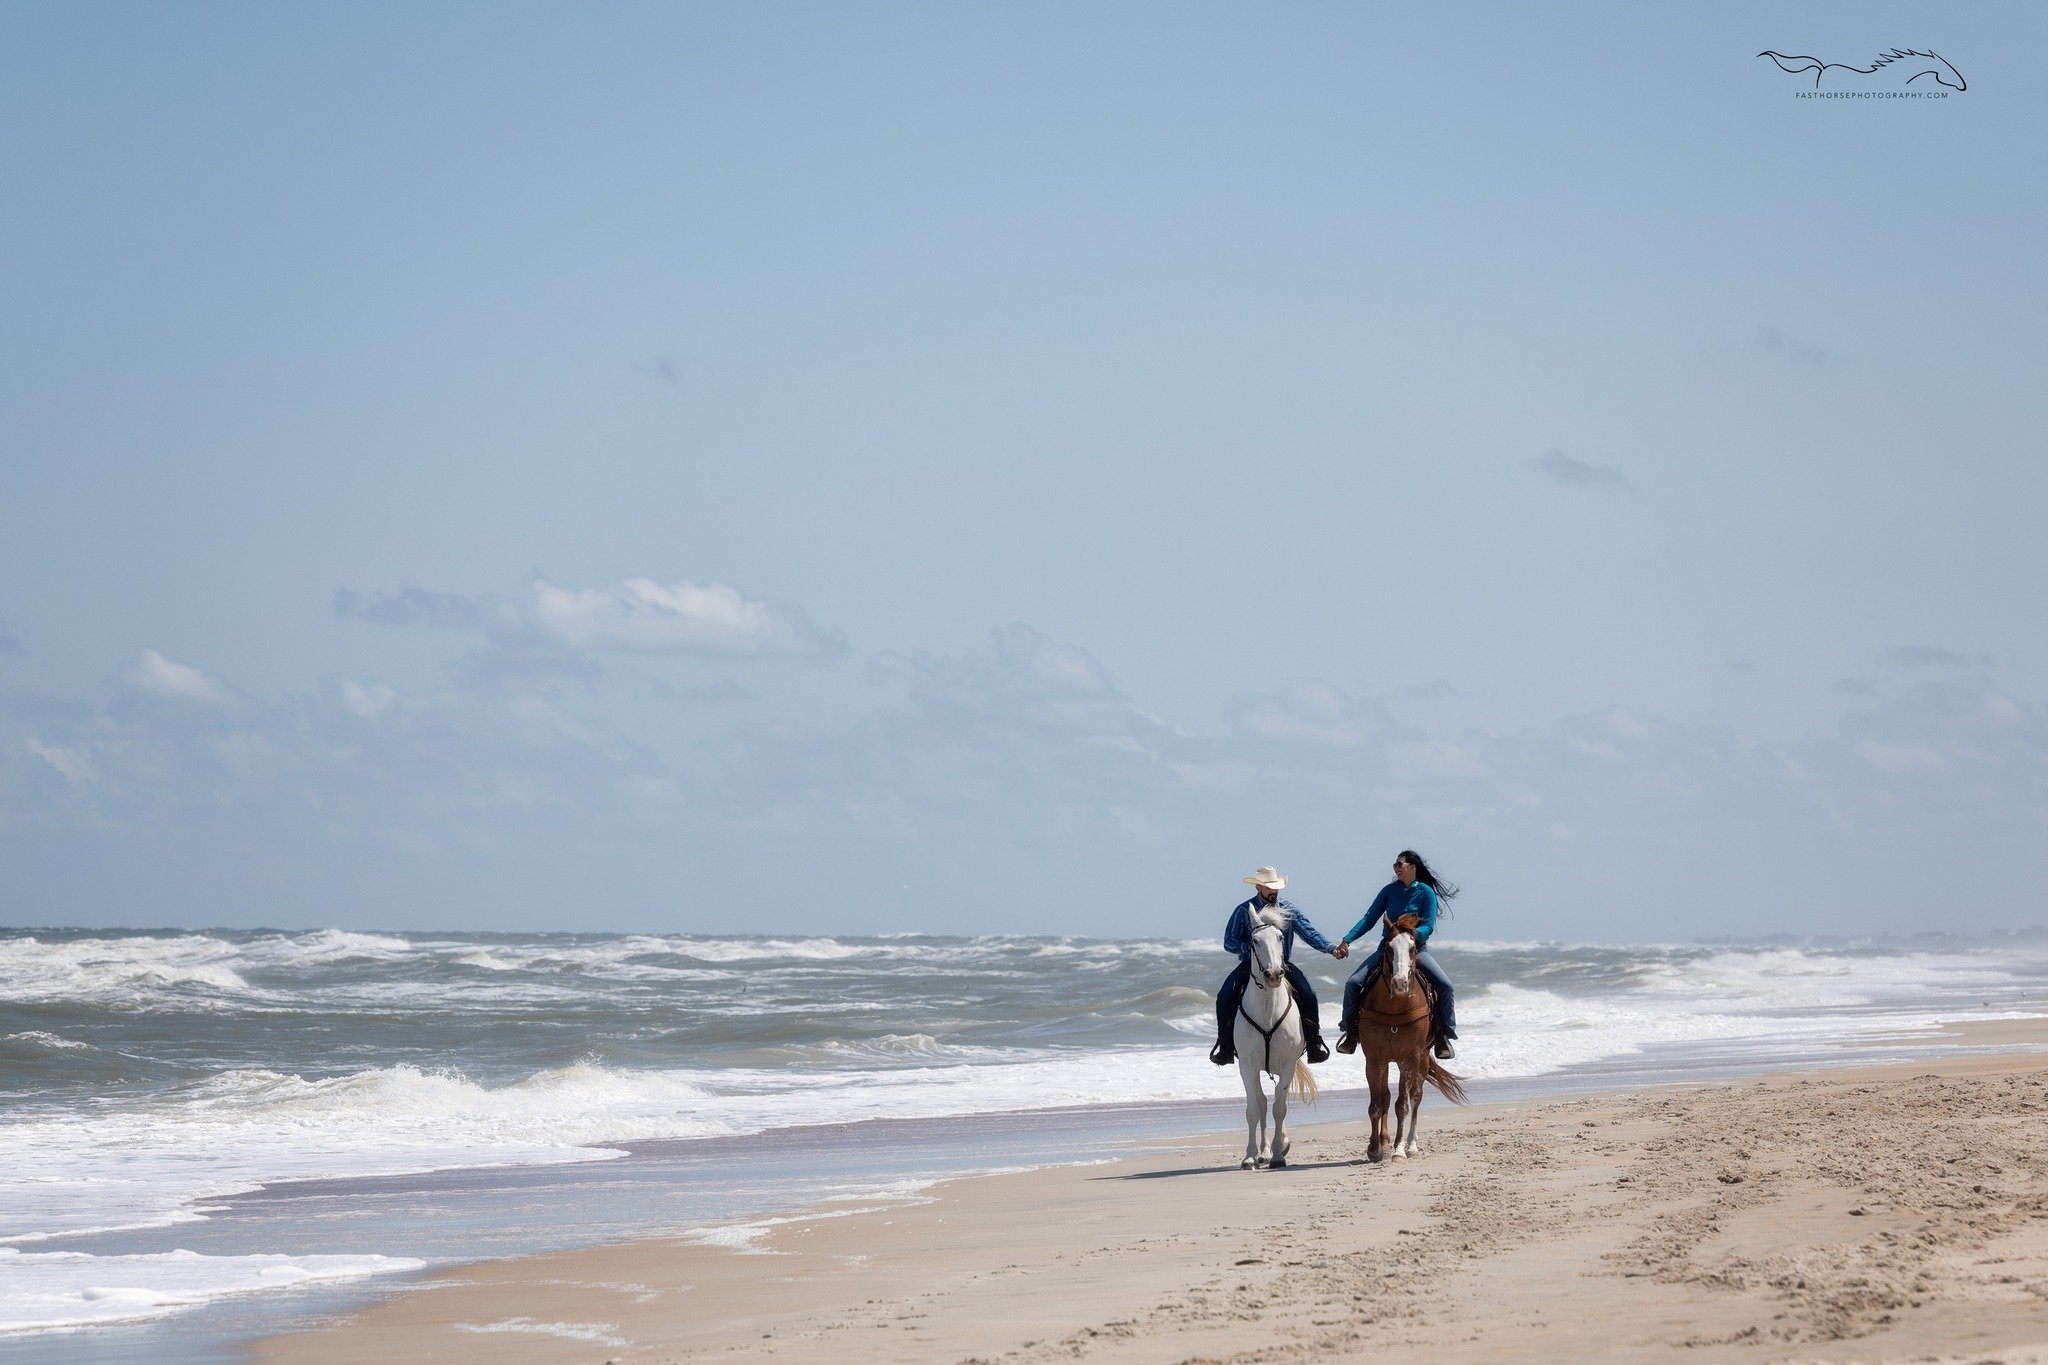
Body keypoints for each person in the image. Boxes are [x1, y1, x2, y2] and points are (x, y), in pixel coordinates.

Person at [1210, 866, 1346, 1067]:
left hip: (1282, 964)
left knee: (1309, 995)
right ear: (1258, 887)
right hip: (1251, 965)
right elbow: (1229, 942)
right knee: (1224, 997)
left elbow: (1309, 932)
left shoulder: (1288, 910)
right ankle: (1225, 1045)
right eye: (1268, 887)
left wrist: (1330, 948)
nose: (1273, 891)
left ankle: (1315, 1043)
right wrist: (1248, 947)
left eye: (1275, 887)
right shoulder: (1243, 911)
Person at [1334, 850, 1459, 1060]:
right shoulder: (1389, 891)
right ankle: (1350, 1032)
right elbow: (1369, 918)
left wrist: (1410, 935)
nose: (1397, 868)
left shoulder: (1427, 893)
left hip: (1416, 949)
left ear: (1413, 867)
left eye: (1400, 864)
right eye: (1395, 865)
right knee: (1353, 983)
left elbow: (1428, 925)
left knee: (1445, 986)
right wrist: (1347, 939)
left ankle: (1443, 1036)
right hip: (1388, 949)